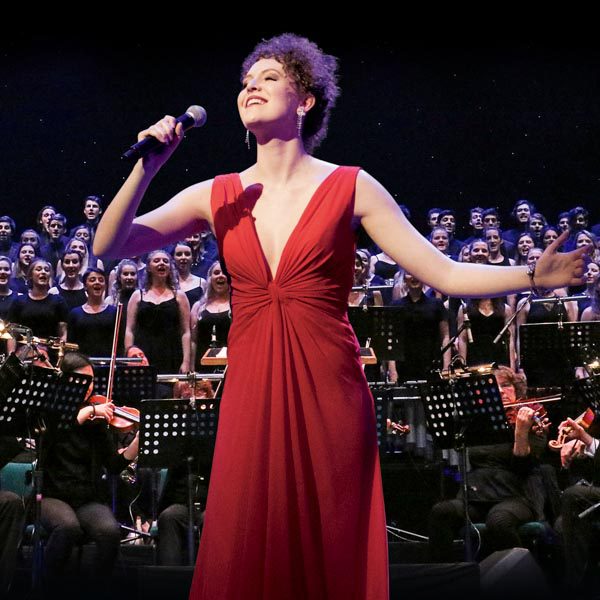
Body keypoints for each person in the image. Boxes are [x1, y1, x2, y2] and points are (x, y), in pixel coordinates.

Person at [93, 33, 587, 600]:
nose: (251, 87)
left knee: (329, 537)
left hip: (329, 385)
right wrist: (148, 167)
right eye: (246, 81)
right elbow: (109, 247)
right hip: (252, 385)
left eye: (269, 77)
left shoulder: (351, 185)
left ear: (306, 100)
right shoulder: (218, 194)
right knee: (250, 533)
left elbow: (444, 273)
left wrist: (532, 276)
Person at [39, 351, 138, 595]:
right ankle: (47, 590)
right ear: (65, 380)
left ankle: (93, 591)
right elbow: (53, 438)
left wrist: (137, 443)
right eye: (82, 381)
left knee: (110, 532)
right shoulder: (50, 412)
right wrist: (89, 412)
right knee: (67, 527)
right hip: (51, 495)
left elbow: (113, 465)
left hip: (86, 498)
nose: (89, 387)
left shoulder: (97, 421)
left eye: (91, 381)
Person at [428, 366, 550, 562]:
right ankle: (446, 575)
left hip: (517, 496)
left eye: (506, 385)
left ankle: (523, 574)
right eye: (494, 386)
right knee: (441, 512)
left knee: (498, 521)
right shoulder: (478, 421)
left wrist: (520, 432)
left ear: (516, 389)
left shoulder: (531, 419)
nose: (500, 390)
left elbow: (523, 467)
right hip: (479, 496)